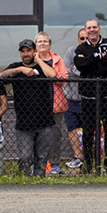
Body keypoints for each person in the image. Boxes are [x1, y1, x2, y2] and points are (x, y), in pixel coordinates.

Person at [0, 39, 57, 176]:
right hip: (24, 124)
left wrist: (39, 61)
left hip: (45, 121)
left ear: (34, 51)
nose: (25, 54)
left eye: (28, 51)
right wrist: (21, 69)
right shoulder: (16, 67)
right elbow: (0, 76)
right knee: (25, 157)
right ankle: (24, 182)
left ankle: (39, 182)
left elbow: (53, 75)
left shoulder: (42, 67)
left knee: (42, 157)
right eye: (23, 51)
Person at [74, 18, 107, 174]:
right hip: (88, 98)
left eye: (94, 27)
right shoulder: (80, 48)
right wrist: (98, 57)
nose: (92, 30)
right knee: (87, 133)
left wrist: (90, 61)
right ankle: (88, 165)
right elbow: (80, 66)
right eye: (88, 28)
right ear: (85, 30)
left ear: (99, 29)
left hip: (106, 97)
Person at [35, 32, 69, 173]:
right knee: (37, 135)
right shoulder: (31, 58)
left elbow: (63, 79)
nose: (42, 43)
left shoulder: (56, 59)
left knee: (55, 135)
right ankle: (37, 164)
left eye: (45, 41)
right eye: (39, 41)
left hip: (55, 103)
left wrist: (41, 63)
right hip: (36, 105)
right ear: (35, 44)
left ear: (50, 44)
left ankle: (54, 164)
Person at [62, 29, 86, 169]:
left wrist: (74, 69)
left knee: (90, 128)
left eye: (86, 38)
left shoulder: (92, 52)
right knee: (72, 128)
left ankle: (90, 156)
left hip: (87, 99)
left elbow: (92, 73)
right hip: (70, 98)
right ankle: (78, 156)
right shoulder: (71, 51)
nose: (83, 41)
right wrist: (81, 73)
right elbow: (65, 72)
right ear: (78, 40)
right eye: (81, 38)